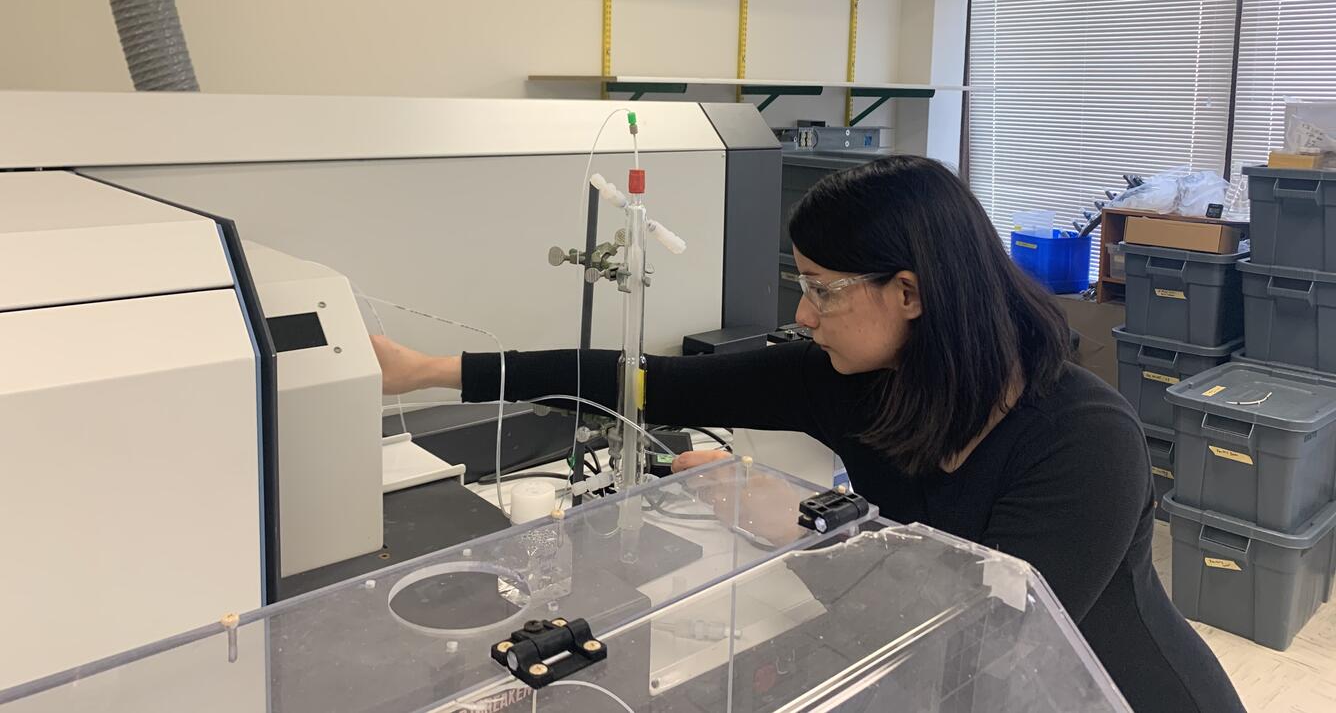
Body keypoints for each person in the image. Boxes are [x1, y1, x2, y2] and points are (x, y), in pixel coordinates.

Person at [373, 155, 1245, 713]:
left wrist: (799, 523)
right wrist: (428, 370)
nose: (802, 313)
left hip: (1110, 690)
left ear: (910, 293)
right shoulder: (849, 379)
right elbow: (645, 381)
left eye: (824, 289)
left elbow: (981, 633)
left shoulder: (1083, 440)